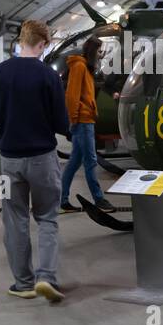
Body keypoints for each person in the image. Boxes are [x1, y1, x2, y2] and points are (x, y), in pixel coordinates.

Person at [0, 20, 71, 303]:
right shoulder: (48, 76)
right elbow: (61, 122)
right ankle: (46, 277)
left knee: (14, 219)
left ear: (21, 40)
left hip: (9, 161)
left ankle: (22, 283)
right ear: (43, 43)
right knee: (47, 217)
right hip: (43, 159)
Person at [60, 36, 118, 214]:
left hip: (86, 120)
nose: (101, 55)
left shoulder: (85, 67)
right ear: (93, 50)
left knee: (74, 162)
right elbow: (72, 95)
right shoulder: (78, 67)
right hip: (83, 122)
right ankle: (99, 199)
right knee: (91, 161)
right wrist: (74, 120)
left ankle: (62, 200)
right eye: (100, 51)